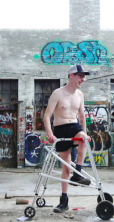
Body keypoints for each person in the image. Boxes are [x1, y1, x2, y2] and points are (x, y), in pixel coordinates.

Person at [43, 65, 92, 213]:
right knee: (65, 167)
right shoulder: (58, 93)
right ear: (71, 76)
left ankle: (77, 173)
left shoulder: (80, 95)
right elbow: (47, 115)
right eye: (80, 76)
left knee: (84, 140)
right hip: (60, 129)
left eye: (84, 76)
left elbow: (82, 117)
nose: (83, 79)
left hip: (74, 127)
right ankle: (64, 201)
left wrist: (85, 132)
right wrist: (50, 134)